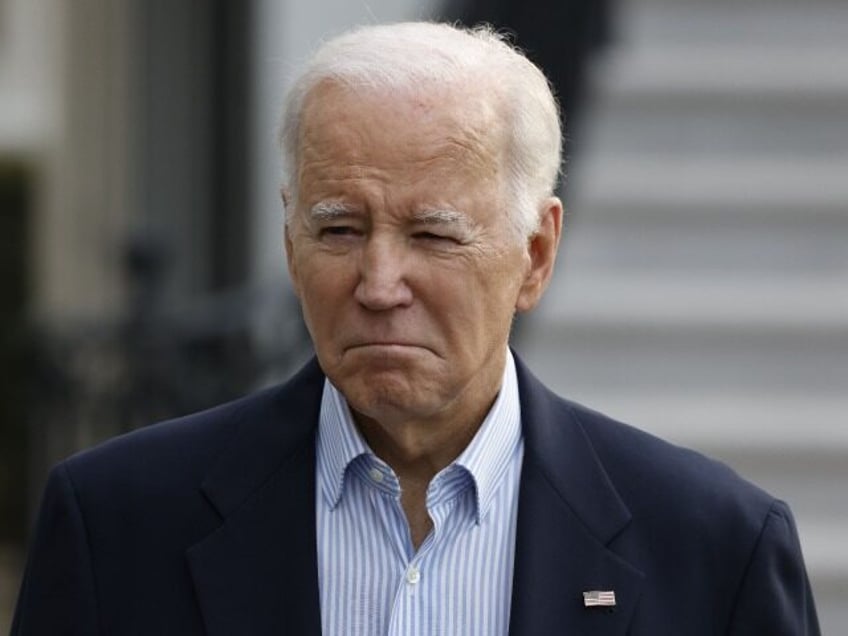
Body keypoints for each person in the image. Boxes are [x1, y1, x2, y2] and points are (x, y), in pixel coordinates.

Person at [12, 22, 819, 635]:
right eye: (338, 229)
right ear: (290, 243)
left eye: (431, 234)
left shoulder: (715, 550)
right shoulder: (114, 524)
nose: (379, 283)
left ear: (535, 255)